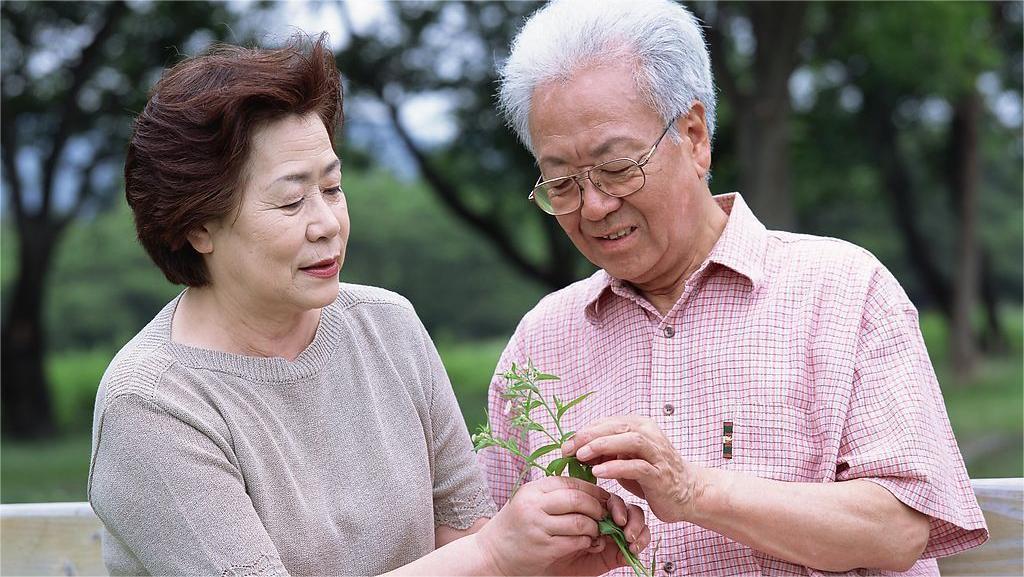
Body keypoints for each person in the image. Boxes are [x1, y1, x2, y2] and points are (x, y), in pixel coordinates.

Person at [88, 34, 650, 577]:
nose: (328, 224)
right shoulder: (152, 405)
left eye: (332, 189)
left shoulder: (388, 326)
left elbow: (462, 539)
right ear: (196, 228)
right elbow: (481, 557)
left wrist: (543, 563)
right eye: (290, 201)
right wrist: (496, 556)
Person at [479, 1, 989, 575]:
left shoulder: (843, 291)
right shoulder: (541, 340)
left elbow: (900, 528)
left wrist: (694, 492)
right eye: (562, 183)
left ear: (694, 138)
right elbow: (497, 544)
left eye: (618, 166)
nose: (594, 206)